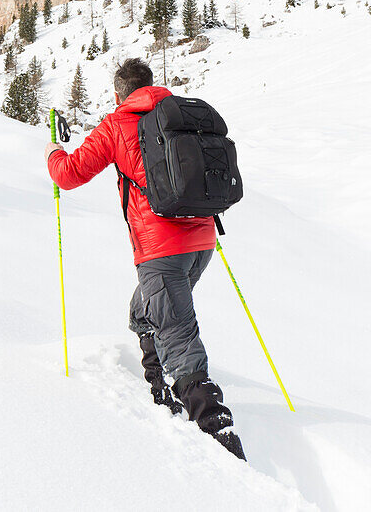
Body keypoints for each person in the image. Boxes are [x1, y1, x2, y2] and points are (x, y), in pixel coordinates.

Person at [45, 56, 245, 459]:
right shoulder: (181, 116)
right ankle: (160, 392)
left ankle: (218, 434)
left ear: (118, 93)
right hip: (202, 241)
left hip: (160, 250)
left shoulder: (118, 123)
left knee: (178, 336)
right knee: (143, 311)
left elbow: (68, 175)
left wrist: (53, 151)